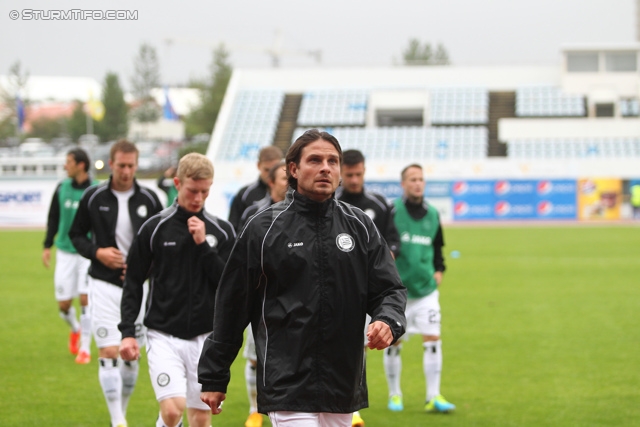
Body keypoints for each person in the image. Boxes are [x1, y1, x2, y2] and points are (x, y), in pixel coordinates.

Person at [198, 129, 407, 427]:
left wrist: (388, 320)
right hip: (286, 379)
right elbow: (232, 304)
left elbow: (390, 289)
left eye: (333, 161)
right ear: (293, 169)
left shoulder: (360, 226)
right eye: (315, 160)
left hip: (342, 379)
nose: (326, 167)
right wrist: (214, 374)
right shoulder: (262, 228)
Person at [119, 153, 235, 427]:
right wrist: (127, 332)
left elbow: (228, 285)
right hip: (163, 334)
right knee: (172, 411)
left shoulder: (223, 231)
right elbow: (133, 280)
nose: (198, 198)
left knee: (200, 419)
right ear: (176, 183)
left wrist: (203, 245)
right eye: (192, 190)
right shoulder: (154, 228)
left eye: (204, 192)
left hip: (207, 338)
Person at [69, 139, 162, 427]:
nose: (126, 171)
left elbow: (160, 244)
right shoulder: (94, 197)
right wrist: (97, 252)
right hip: (103, 284)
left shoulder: (149, 199)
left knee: (130, 354)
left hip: (138, 289)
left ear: (136, 165)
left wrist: (141, 270)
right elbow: (76, 235)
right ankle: (117, 420)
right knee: (109, 351)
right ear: (111, 164)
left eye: (131, 166)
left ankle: (121, 410)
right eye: (121, 165)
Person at [336, 149, 401, 427]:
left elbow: (393, 241)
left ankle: (352, 408)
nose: (353, 179)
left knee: (362, 345)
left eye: (358, 174)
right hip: (341, 288)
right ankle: (351, 410)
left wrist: (385, 259)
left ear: (364, 171)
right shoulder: (332, 203)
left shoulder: (378, 204)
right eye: (348, 175)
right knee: (346, 347)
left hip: (370, 289)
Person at [383, 164, 455, 414]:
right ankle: (395, 395)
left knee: (433, 339)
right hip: (396, 294)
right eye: (412, 179)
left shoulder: (433, 214)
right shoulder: (391, 211)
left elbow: (438, 248)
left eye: (421, 179)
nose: (417, 183)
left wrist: (439, 270)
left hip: (426, 292)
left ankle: (433, 396)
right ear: (403, 184)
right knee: (393, 343)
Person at [237, 160, 286, 427]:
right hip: (261, 301)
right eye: (284, 179)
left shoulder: (298, 212)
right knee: (256, 359)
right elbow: (242, 259)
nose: (289, 183)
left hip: (290, 302)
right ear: (271, 182)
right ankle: (255, 409)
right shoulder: (253, 214)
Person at [42, 147, 98, 364]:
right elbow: (53, 218)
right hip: (65, 252)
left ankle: (85, 348)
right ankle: (75, 328)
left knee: (85, 299)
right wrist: (47, 245)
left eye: (69, 162)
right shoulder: (61, 187)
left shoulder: (95, 190)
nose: (65, 166)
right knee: (64, 305)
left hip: (86, 252)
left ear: (81, 165)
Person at [227, 145, 283, 230]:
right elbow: (233, 227)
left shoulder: (291, 193)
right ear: (258, 165)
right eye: (267, 170)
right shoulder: (245, 194)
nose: (270, 175)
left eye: (274, 170)